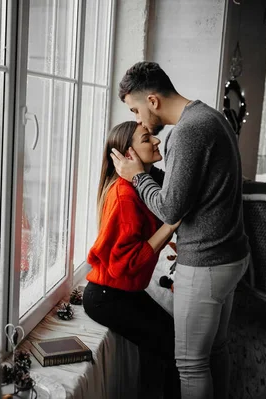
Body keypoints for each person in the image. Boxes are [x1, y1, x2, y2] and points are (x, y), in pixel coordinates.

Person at [111, 61, 250, 399]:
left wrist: (137, 177)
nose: (140, 121)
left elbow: (171, 208)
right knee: (216, 350)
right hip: (231, 255)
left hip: (206, 263)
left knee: (190, 365)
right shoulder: (211, 116)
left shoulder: (187, 132)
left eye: (137, 110)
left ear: (153, 101)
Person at [83, 121, 181, 399]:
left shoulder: (140, 186)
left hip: (123, 292)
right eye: (147, 138)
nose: (157, 142)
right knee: (174, 346)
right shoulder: (124, 195)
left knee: (170, 339)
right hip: (108, 297)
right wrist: (170, 226)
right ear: (129, 155)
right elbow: (123, 265)